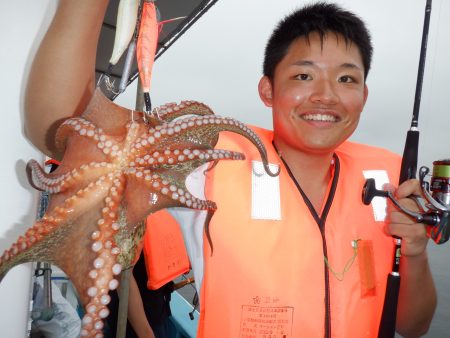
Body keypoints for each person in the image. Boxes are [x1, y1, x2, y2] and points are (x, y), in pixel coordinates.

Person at [23, 1, 436, 337]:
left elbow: (413, 325)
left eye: (347, 79)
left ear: (364, 94)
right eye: (304, 75)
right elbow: (57, 126)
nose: (326, 96)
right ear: (268, 90)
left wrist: (414, 251)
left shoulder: (387, 184)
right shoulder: (209, 164)